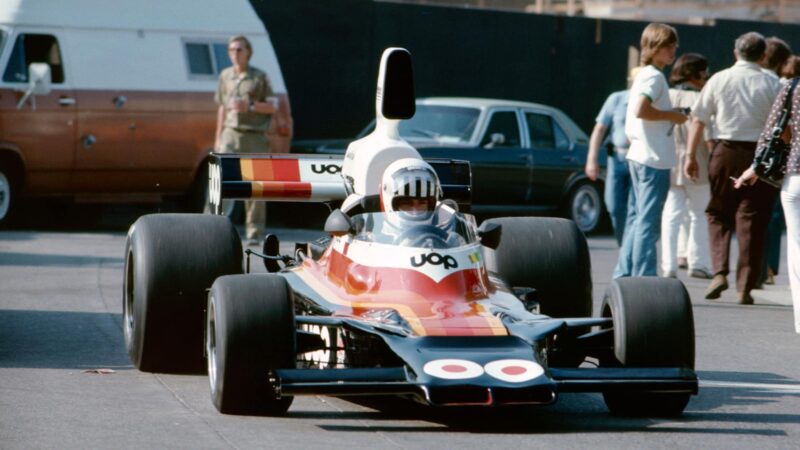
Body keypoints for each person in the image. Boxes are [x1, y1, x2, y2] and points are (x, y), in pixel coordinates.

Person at [685, 32, 782, 304]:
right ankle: (745, 286)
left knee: (718, 211)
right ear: (763, 56)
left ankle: (719, 271)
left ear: (735, 52)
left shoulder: (719, 79)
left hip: (724, 151)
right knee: (752, 218)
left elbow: (698, 120)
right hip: (760, 156)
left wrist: (690, 156)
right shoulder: (771, 82)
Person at [613, 23, 688, 278]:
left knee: (636, 219)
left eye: (674, 44)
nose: (674, 50)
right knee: (647, 222)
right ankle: (644, 277)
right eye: (669, 45)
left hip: (640, 155)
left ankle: (624, 274)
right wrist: (673, 116)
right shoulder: (654, 76)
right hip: (653, 159)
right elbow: (641, 110)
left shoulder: (645, 74)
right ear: (655, 47)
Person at [734, 80, 800, 333]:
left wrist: (755, 168)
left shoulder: (792, 86)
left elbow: (772, 129)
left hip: (796, 175)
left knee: (796, 247)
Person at [214, 35, 279, 245]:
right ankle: (214, 227)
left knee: (255, 184)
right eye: (232, 50)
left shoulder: (259, 77)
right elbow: (222, 107)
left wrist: (250, 107)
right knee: (220, 181)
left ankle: (254, 231)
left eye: (240, 49)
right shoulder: (225, 76)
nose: (235, 54)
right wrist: (218, 137)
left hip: (253, 135)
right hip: (230, 133)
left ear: (248, 52)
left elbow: (272, 106)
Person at [661, 53, 713, 279]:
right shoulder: (702, 98)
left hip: (670, 159)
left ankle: (668, 264)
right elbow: (709, 133)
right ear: (696, 74)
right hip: (698, 161)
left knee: (671, 214)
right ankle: (698, 263)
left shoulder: (666, 96)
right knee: (699, 214)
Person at [585, 69, 638, 245]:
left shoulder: (652, 101)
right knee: (614, 206)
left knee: (634, 207)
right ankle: (623, 242)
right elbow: (599, 129)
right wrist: (592, 159)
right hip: (617, 157)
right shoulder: (617, 99)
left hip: (639, 158)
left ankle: (629, 248)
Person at [379, 158, 462, 248]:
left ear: (432, 204)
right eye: (407, 204)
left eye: (422, 203)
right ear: (389, 203)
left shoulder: (448, 241)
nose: (414, 212)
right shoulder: (374, 242)